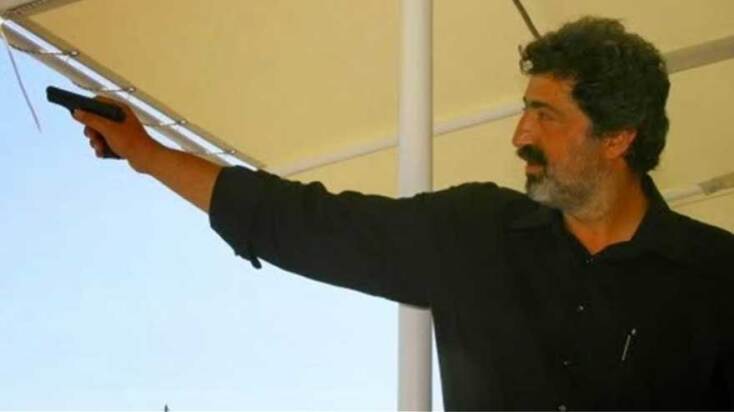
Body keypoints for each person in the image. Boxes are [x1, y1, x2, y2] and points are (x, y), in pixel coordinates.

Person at [72, 17, 733, 410]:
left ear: (617, 138)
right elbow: (303, 223)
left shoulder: (718, 279)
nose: (519, 136)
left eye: (546, 116)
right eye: (523, 111)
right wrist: (147, 154)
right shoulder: (475, 232)